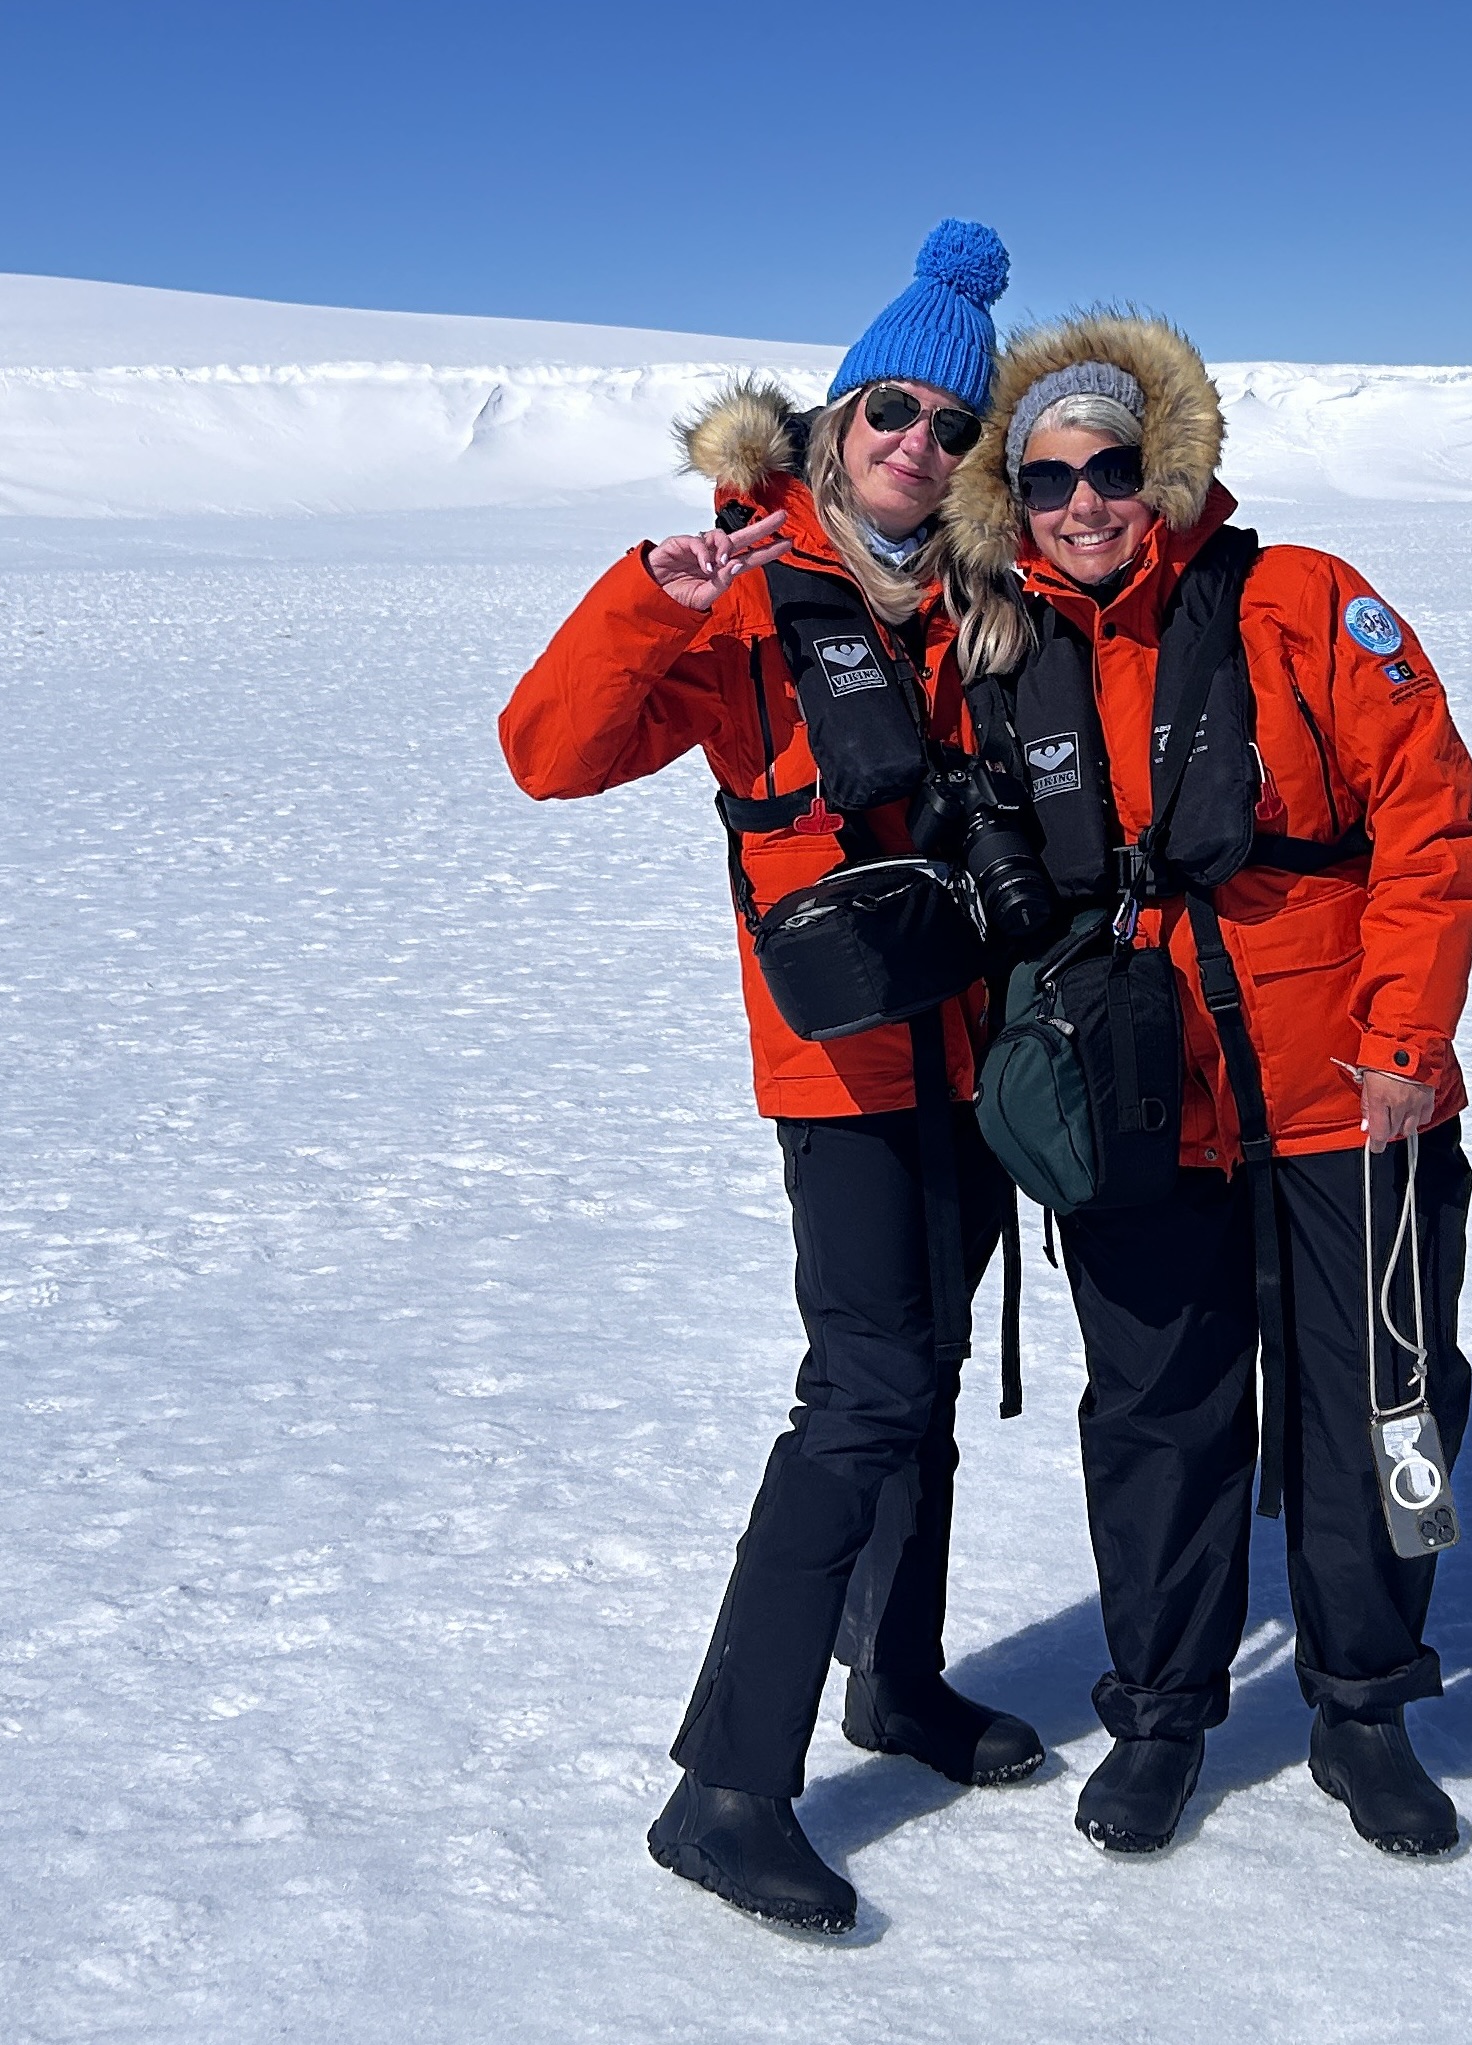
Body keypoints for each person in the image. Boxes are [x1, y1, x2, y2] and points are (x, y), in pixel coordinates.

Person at [497, 221, 1042, 1936]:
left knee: (928, 1372)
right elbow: (547, 756)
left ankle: (898, 1678)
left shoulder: (985, 600)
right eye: (892, 410)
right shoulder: (745, 592)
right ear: (835, 420)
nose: (918, 446)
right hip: (839, 1069)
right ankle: (727, 1785)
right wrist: (645, 601)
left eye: (955, 431)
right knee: (866, 1392)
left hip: (970, 1051)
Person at [942, 313, 1472, 1856]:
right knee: (1159, 1421)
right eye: (1048, 481)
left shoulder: (1304, 602)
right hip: (1137, 1115)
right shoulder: (1002, 648)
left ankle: (1367, 1703)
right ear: (1012, 499)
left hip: (1348, 1104)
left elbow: (1430, 820)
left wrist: (1402, 1042)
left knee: (1381, 1395)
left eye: (1113, 466)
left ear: (1165, 467)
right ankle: (1165, 1710)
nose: (1086, 503)